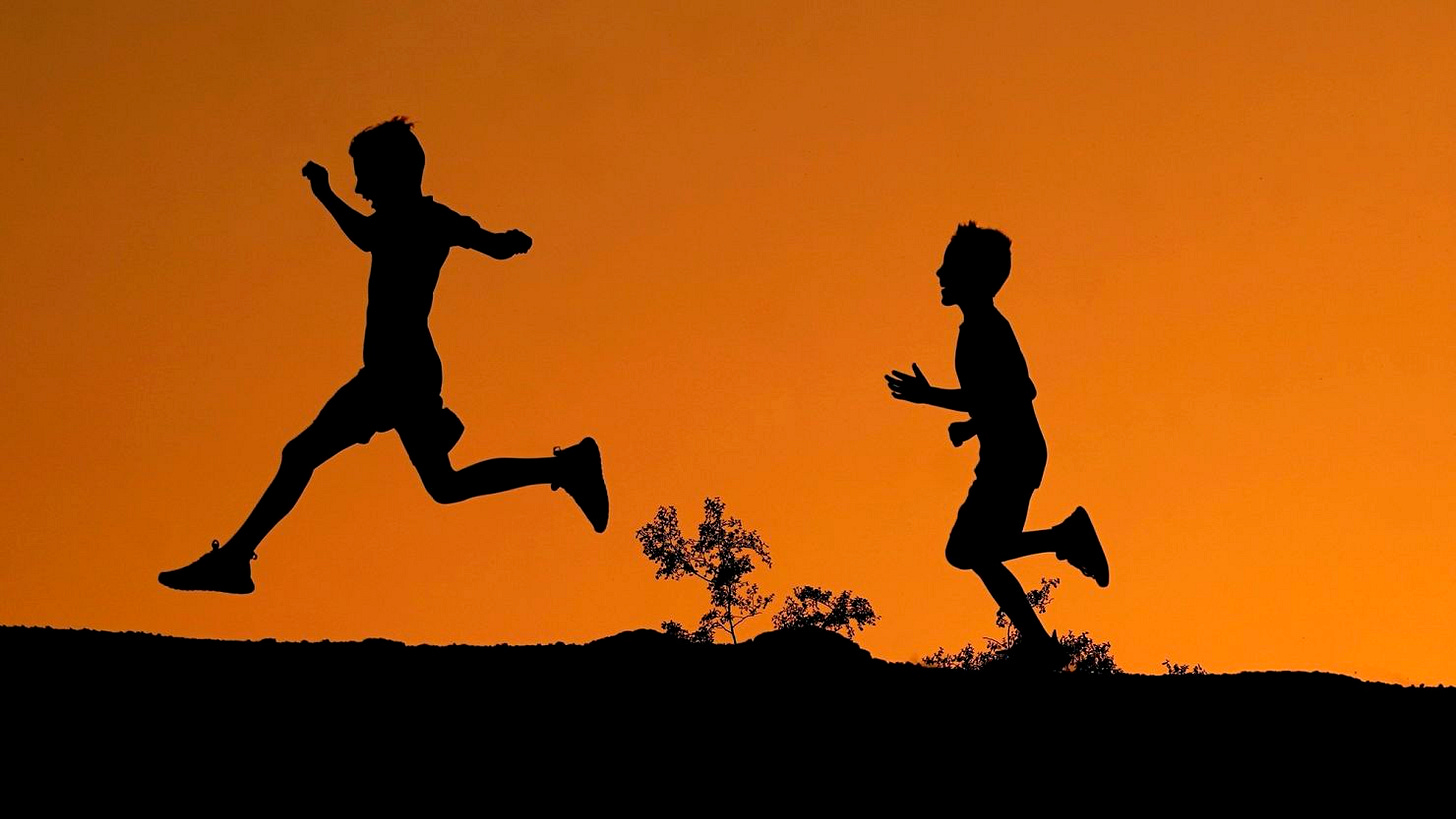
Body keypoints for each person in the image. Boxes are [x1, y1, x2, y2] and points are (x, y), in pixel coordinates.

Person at [160, 117, 607, 595]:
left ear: (393, 172)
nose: (359, 187)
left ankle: (233, 561)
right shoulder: (432, 220)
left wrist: (325, 195)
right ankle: (562, 467)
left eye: (364, 174)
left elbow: (371, 236)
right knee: (443, 486)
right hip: (404, 371)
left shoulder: (415, 220)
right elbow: (484, 241)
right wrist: (504, 243)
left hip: (394, 374)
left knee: (301, 454)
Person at [885, 220, 1107, 671]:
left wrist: (935, 399)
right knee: (974, 551)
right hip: (1009, 453)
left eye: (948, 266)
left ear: (974, 276)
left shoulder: (986, 328)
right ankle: (1045, 632)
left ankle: (1064, 544)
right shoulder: (978, 328)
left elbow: (1018, 392)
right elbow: (1000, 397)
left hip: (1014, 456)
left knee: (969, 551)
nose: (938, 274)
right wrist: (972, 425)